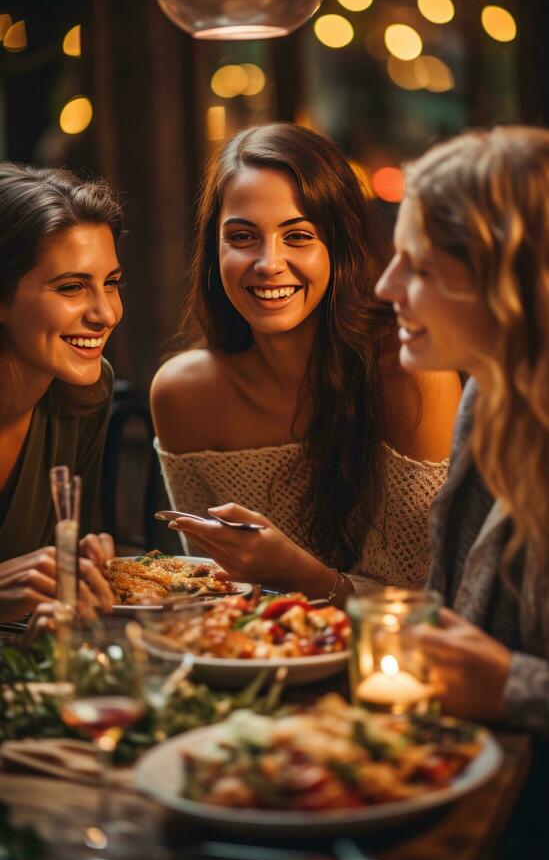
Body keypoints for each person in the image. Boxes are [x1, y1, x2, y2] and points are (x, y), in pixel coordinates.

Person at [151, 123, 461, 602]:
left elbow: (424, 602)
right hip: (250, 664)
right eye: (242, 236)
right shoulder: (181, 394)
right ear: (215, 248)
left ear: (340, 245)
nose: (269, 263)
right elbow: (210, 594)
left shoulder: (409, 371)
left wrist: (298, 573)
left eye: (298, 236)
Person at [375, 125, 549, 737]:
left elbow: (497, 674)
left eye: (418, 265)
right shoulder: (487, 394)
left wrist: (513, 689)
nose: (385, 287)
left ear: (509, 286)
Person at [0, 163, 124, 622]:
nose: (106, 313)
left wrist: (81, 574)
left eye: (111, 283)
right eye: (72, 287)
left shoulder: (86, 393)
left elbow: (51, 610)